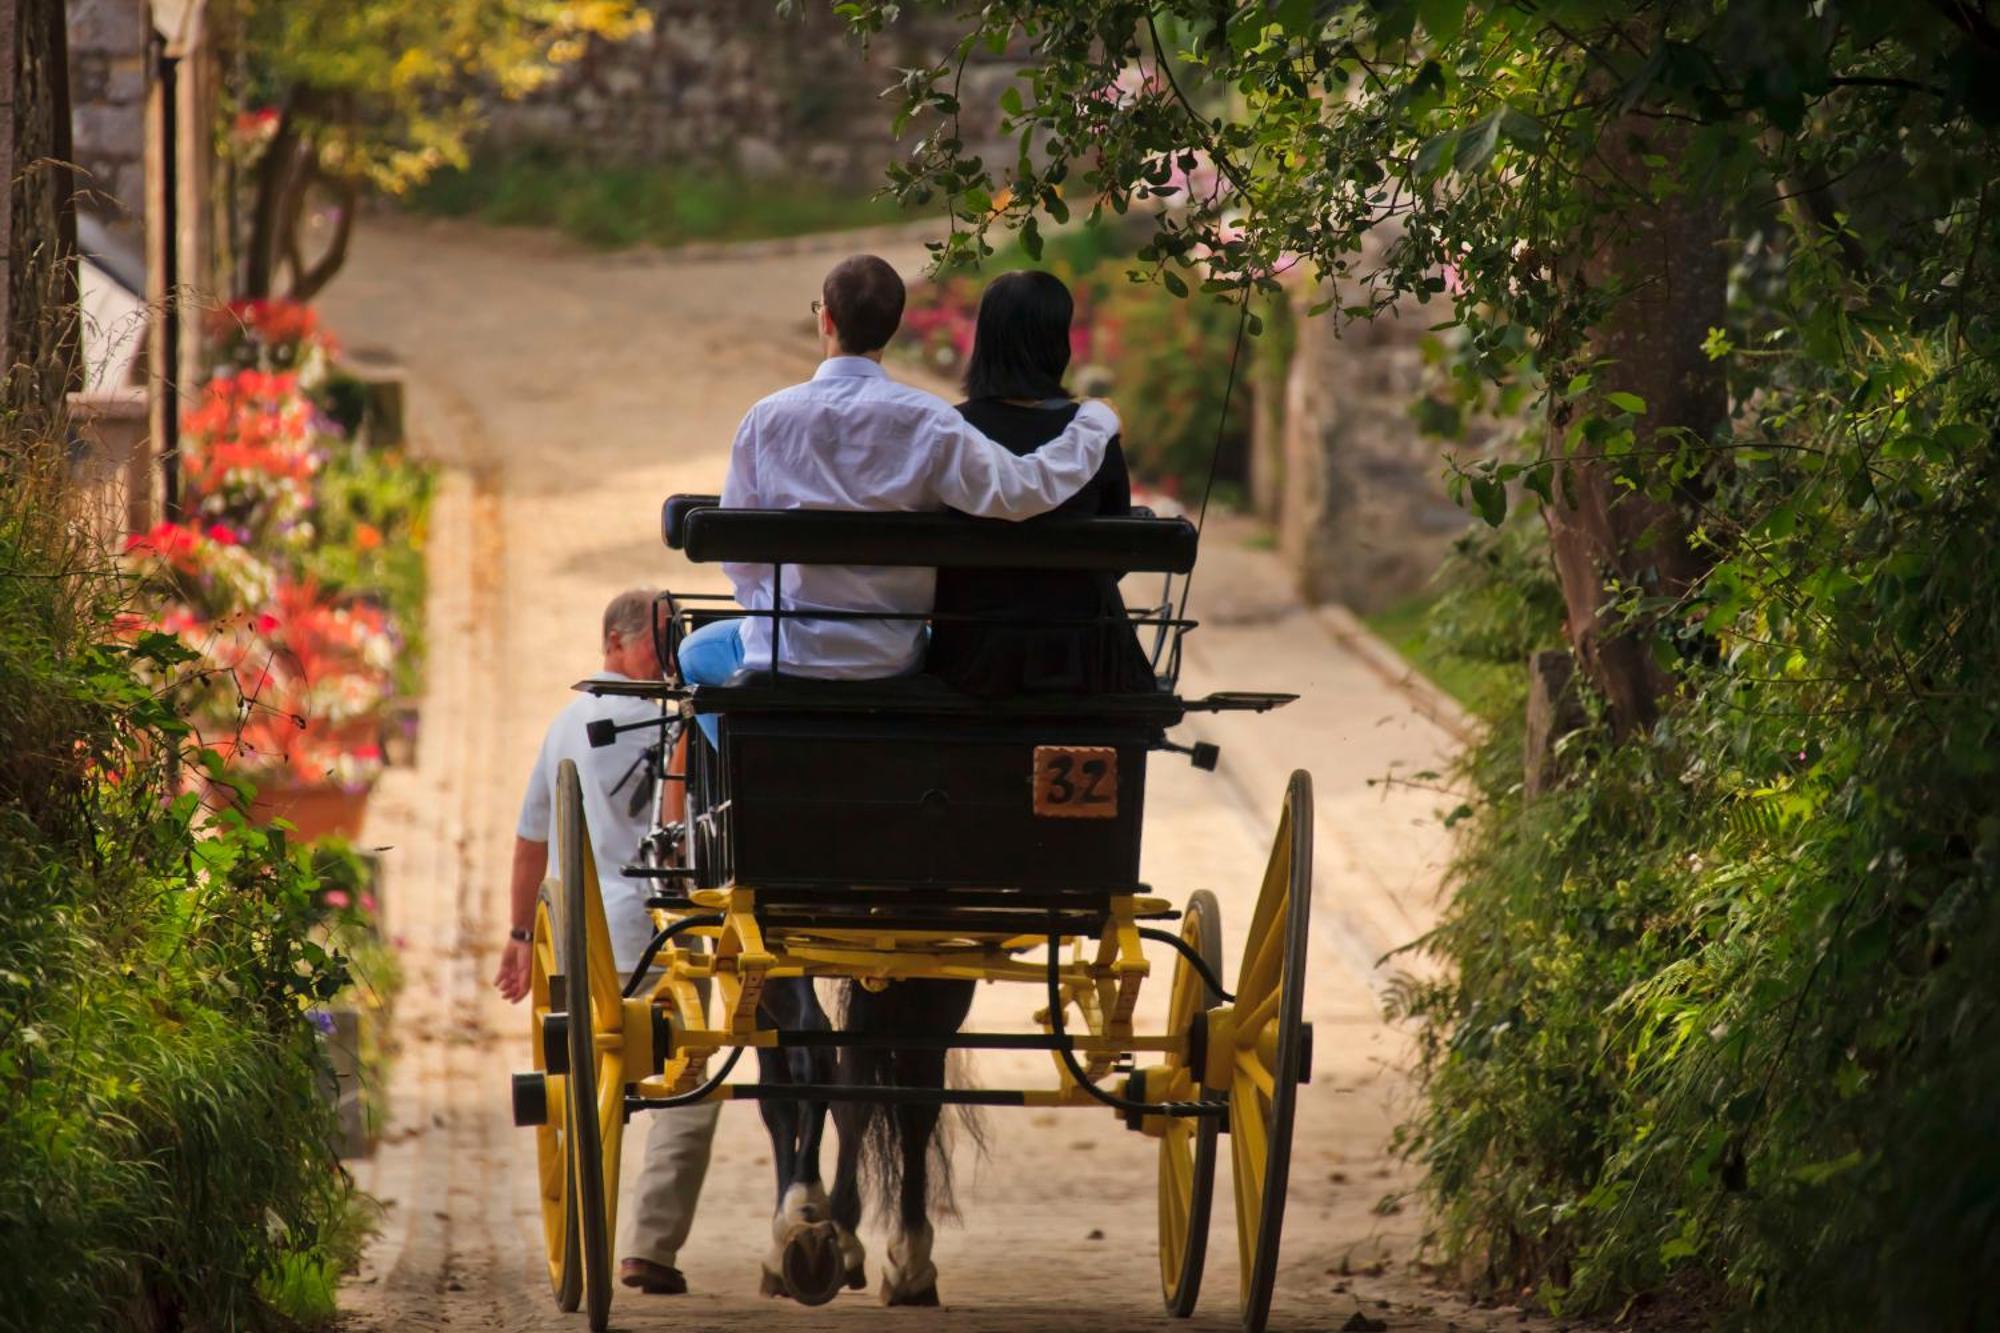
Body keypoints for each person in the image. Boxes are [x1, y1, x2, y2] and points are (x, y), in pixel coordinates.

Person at [674, 253, 1123, 708]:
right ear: (893, 326)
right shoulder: (928, 420)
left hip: (785, 655)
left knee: (692, 653)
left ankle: (743, 772)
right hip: (889, 658)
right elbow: (1023, 490)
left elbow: (739, 561)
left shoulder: (766, 418)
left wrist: (773, 623)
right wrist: (1095, 424)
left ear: (825, 319)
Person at [494, 588, 719, 1297]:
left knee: (634, 1080)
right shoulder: (689, 720)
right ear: (616, 645)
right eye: (661, 638)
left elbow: (533, 837)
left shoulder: (567, 723)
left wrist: (523, 934)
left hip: (584, 945)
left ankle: (639, 1240)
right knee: (694, 1085)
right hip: (660, 940)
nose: (672, 649)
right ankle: (650, 1241)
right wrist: (518, 934)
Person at [926, 270, 1157, 695]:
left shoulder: (951, 431)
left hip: (970, 657)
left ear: (986, 341)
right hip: (1085, 658)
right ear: (1057, 343)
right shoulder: (1093, 437)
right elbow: (1116, 547)